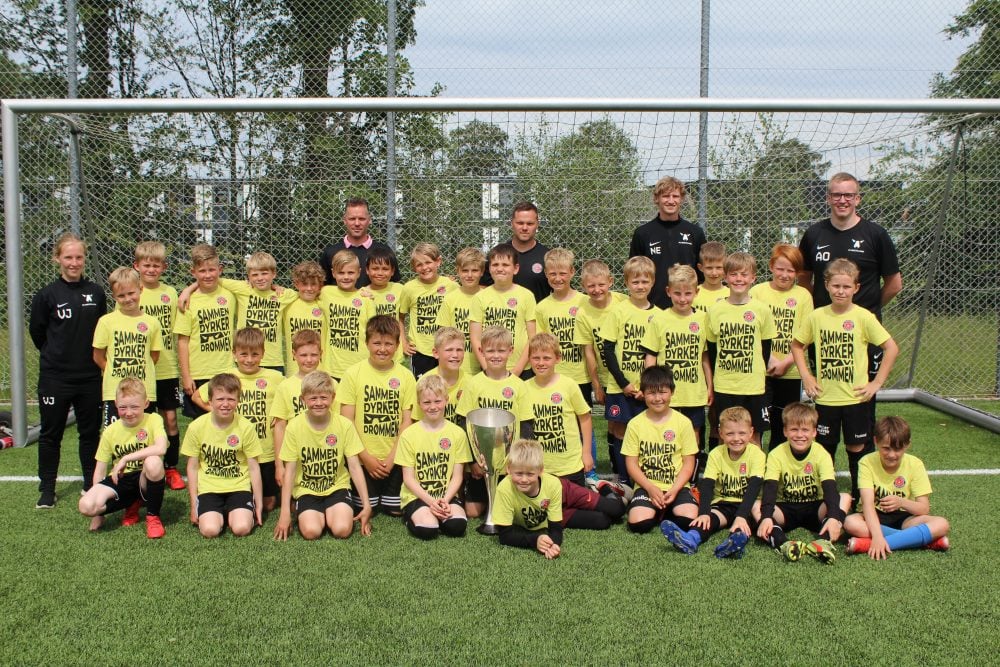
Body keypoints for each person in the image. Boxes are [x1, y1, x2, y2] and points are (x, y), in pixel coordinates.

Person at [798, 172, 902, 454]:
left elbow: (894, 283)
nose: (842, 200)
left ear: (858, 198)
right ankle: (824, 469)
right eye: (836, 194)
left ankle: (863, 473)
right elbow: (804, 278)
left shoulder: (876, 234)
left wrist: (867, 311)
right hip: (825, 335)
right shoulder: (814, 234)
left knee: (862, 406)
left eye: (848, 195)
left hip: (863, 336)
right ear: (828, 198)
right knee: (825, 405)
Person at [791, 258, 899, 501]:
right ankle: (824, 498)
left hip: (855, 398)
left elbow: (891, 348)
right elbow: (797, 345)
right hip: (826, 398)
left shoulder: (863, 317)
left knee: (856, 447)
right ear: (827, 285)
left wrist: (876, 383)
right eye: (836, 286)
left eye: (846, 286)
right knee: (824, 448)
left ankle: (861, 497)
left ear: (856, 288)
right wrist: (806, 376)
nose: (841, 291)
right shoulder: (817, 316)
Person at [30, 232, 108, 507]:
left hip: (89, 377)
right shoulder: (47, 295)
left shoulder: (96, 293)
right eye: (68, 257)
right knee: (51, 434)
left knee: (90, 433)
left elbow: (101, 332)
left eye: (79, 257)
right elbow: (38, 333)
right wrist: (58, 356)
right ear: (57, 259)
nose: (74, 262)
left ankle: (90, 483)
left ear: (84, 259)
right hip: (56, 377)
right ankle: (47, 489)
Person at [518, 333, 627, 530]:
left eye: (546, 358)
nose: (541, 363)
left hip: (570, 467)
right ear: (529, 359)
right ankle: (573, 504)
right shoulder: (523, 388)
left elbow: (585, 418)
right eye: (536, 358)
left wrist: (586, 453)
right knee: (591, 518)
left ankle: (602, 489)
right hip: (541, 471)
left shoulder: (568, 385)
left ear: (558, 358)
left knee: (612, 512)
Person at [273, 371, 372, 541]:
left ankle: (334, 511)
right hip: (306, 489)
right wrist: (284, 513)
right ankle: (305, 510)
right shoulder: (294, 427)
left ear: (333, 398)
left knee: (342, 530)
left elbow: (354, 466)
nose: (319, 403)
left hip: (337, 487)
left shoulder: (344, 425)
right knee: (311, 532)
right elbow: (290, 471)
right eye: (313, 398)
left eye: (324, 398)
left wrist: (367, 505)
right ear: (303, 399)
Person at [193, 327, 284, 512]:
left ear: (263, 353)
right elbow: (197, 396)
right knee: (241, 495)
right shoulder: (227, 376)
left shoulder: (275, 378)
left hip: (265, 450)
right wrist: (221, 411)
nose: (249, 359)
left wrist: (280, 415)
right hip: (238, 452)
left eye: (254, 354)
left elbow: (291, 396)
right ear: (234, 353)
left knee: (268, 504)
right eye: (243, 354)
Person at [659, 406, 765, 558]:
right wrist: (703, 513)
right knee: (708, 520)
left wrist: (741, 515)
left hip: (747, 504)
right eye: (730, 433)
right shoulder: (716, 453)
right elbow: (707, 485)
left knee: (742, 525)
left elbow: (754, 487)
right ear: (721, 433)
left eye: (742, 433)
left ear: (751, 432)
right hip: (723, 503)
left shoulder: (757, 454)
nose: (736, 438)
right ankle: (691, 539)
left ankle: (734, 546)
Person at [752, 402, 851, 563]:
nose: (800, 435)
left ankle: (823, 541)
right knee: (757, 506)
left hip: (815, 508)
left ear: (814, 432)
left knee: (844, 497)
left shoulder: (821, 454)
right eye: (794, 429)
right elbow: (770, 488)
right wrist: (767, 517)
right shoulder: (776, 454)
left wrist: (834, 517)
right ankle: (783, 543)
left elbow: (830, 488)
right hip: (785, 509)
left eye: (805, 430)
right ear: (785, 431)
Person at [338, 315, 416, 517]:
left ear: (398, 345)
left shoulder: (406, 376)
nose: (382, 349)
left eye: (388, 344)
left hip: (394, 457)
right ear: (366, 343)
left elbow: (407, 421)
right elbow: (346, 421)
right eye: (377, 343)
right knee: (367, 507)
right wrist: (365, 457)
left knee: (394, 508)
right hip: (363, 458)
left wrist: (392, 458)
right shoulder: (353, 374)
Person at [844, 416, 950, 558]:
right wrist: (877, 535)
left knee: (942, 524)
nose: (892, 454)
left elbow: (924, 508)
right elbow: (867, 505)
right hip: (874, 516)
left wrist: (901, 502)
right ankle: (920, 540)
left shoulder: (915, 464)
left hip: (905, 519)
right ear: (876, 441)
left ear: (907, 444)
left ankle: (868, 544)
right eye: (886, 448)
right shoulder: (866, 462)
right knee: (850, 522)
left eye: (898, 449)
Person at [642, 264, 712, 476]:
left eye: (688, 293)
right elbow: (651, 355)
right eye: (677, 293)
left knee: (693, 436)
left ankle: (691, 481)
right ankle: (667, 475)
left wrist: (710, 386)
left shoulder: (703, 319)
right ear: (668, 291)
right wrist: (650, 386)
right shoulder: (659, 319)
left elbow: (704, 357)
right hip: (667, 393)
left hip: (693, 392)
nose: (682, 299)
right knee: (666, 434)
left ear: (696, 292)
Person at [78, 378, 167, 538]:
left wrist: (126, 459)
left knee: (153, 462)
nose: (129, 412)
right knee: (86, 506)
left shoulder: (154, 419)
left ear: (146, 403)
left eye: (135, 407)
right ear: (115, 404)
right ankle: (131, 502)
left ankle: (153, 517)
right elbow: (100, 470)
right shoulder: (110, 431)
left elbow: (161, 448)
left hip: (144, 477)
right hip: (121, 479)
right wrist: (98, 515)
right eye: (123, 407)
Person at [535, 248, 595, 485]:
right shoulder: (542, 307)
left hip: (580, 375)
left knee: (583, 420)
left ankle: (589, 472)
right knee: (560, 423)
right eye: (552, 274)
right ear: (546, 275)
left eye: (562, 273)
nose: (558, 278)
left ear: (572, 272)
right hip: (555, 376)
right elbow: (541, 344)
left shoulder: (585, 301)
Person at [455, 326, 527, 518]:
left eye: (501, 350)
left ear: (510, 351)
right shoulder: (473, 384)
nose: (496, 355)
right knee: (472, 512)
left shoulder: (519, 386)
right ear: (481, 351)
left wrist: (518, 461)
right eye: (491, 350)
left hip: (508, 462)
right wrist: (473, 462)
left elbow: (527, 427)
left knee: (510, 512)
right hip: (481, 461)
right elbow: (463, 424)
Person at [706, 251, 776, 446]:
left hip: (753, 385)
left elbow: (765, 350)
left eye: (744, 274)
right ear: (725, 277)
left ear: (753, 278)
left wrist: (757, 373)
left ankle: (755, 467)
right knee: (726, 434)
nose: (739, 279)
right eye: (734, 274)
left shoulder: (762, 310)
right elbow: (712, 351)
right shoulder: (715, 310)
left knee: (753, 435)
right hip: (725, 385)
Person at [182, 372, 263, 538]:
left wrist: (259, 504)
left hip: (238, 486)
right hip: (209, 488)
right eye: (220, 399)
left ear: (238, 401)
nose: (225, 404)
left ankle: (236, 513)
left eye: (231, 399)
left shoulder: (246, 426)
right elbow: (192, 467)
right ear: (210, 401)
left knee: (241, 528)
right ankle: (218, 515)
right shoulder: (196, 427)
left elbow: (254, 467)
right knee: (209, 530)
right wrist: (194, 505)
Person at [750, 244, 813, 449]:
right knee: (757, 425)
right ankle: (757, 465)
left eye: (791, 270)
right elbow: (751, 331)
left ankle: (778, 466)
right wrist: (768, 358)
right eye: (780, 269)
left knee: (784, 425)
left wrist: (786, 362)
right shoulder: (757, 292)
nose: (785, 275)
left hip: (791, 372)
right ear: (771, 266)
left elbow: (806, 335)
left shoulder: (803, 295)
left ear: (798, 272)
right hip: (762, 370)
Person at [622, 365, 698, 534]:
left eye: (663, 392)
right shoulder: (635, 424)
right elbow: (631, 464)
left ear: (672, 392)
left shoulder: (683, 422)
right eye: (651, 393)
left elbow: (688, 463)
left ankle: (666, 509)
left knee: (689, 519)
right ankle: (655, 509)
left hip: (676, 485)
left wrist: (675, 489)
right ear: (643, 393)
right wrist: (649, 488)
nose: (657, 398)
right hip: (647, 485)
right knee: (638, 524)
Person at [134, 241, 185, 490]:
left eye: (156, 265)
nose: (151, 269)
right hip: (141, 369)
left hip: (166, 367)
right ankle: (144, 468)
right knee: (143, 421)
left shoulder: (170, 293)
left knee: (170, 420)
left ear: (163, 267)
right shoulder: (132, 292)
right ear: (137, 266)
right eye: (147, 265)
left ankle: (171, 467)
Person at [600, 256, 658, 475]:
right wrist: (623, 383)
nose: (640, 286)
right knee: (621, 431)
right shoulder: (618, 311)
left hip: (647, 389)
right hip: (621, 387)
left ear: (653, 282)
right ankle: (623, 479)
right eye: (635, 282)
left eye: (645, 281)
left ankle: (644, 477)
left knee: (646, 432)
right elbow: (607, 350)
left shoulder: (659, 315)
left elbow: (658, 355)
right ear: (626, 283)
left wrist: (648, 386)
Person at [397, 374, 472, 540]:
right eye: (427, 402)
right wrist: (431, 502)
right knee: (428, 530)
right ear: (419, 403)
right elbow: (408, 479)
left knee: (457, 526)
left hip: (446, 495)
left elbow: (457, 476)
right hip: (417, 496)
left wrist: (444, 500)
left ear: (446, 400)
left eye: (438, 401)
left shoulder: (457, 434)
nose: (433, 407)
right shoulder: (409, 435)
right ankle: (411, 516)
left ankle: (438, 514)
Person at [573, 259, 626, 482]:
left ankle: (629, 470)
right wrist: (596, 384)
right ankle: (616, 470)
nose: (597, 290)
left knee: (629, 423)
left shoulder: (623, 302)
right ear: (583, 286)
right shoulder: (583, 312)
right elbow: (589, 351)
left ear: (610, 282)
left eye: (601, 284)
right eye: (591, 286)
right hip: (606, 377)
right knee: (613, 422)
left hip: (627, 374)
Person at [92, 267, 163, 426]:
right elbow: (98, 356)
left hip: (144, 390)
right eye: (121, 295)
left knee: (145, 435)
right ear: (114, 296)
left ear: (140, 289)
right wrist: (114, 370)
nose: (127, 299)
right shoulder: (106, 322)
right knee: (115, 435)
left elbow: (154, 357)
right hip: (115, 391)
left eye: (131, 293)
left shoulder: (152, 323)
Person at [174, 243, 235, 419]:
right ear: (193, 272)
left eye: (212, 270)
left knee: (227, 420)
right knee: (199, 424)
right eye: (202, 271)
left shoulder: (230, 294)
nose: (207, 275)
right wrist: (186, 377)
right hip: (198, 373)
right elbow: (182, 342)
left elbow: (254, 287)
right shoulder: (187, 302)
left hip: (225, 370)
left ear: (220, 269)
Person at [629, 176, 707, 309]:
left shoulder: (695, 233)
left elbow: (702, 274)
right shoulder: (643, 233)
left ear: (682, 199)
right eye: (665, 196)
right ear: (656, 199)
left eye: (675, 196)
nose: (671, 201)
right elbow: (634, 273)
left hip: (686, 306)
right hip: (653, 307)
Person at [469, 243, 537, 378]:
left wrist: (517, 371)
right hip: (490, 368)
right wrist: (488, 369)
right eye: (495, 265)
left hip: (521, 369)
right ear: (489, 268)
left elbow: (532, 337)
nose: (500, 269)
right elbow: (475, 338)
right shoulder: (479, 297)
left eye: (505, 265)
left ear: (515, 268)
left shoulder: (526, 296)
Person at [271, 329, 327, 488]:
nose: (309, 360)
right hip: (294, 455)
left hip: (322, 454)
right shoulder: (285, 387)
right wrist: (279, 465)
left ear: (321, 354)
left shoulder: (330, 384)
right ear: (294, 354)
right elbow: (280, 427)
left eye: (314, 355)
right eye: (303, 355)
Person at [493, 438, 563, 559]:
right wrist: (536, 540)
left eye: (530, 474)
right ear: (508, 469)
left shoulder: (553, 484)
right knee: (594, 519)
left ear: (540, 470)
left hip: (565, 491)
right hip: (547, 509)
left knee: (597, 509)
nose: (524, 479)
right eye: (519, 473)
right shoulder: (504, 488)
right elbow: (504, 536)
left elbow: (556, 529)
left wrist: (554, 544)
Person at [398, 242, 456, 378]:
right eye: (419, 264)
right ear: (414, 267)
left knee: (447, 386)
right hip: (420, 350)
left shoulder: (451, 285)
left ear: (438, 262)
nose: (424, 267)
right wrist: (404, 342)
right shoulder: (409, 288)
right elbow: (400, 317)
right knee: (422, 388)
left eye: (428, 262)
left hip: (446, 348)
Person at [319, 197, 401, 288]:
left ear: (369, 220)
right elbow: (322, 286)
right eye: (352, 219)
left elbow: (393, 286)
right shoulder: (330, 252)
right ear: (344, 220)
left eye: (361, 219)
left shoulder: (384, 251)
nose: (357, 223)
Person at [321, 250, 375, 380]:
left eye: (350, 272)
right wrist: (276, 288)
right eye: (341, 272)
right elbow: (304, 291)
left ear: (359, 273)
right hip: (332, 367)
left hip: (360, 366)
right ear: (333, 273)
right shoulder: (325, 293)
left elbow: (373, 332)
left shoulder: (366, 298)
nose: (346, 277)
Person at [483, 201, 552, 303]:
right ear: (512, 223)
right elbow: (482, 288)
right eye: (520, 223)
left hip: (537, 313)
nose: (524, 228)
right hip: (503, 313)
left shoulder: (548, 257)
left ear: (537, 224)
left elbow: (561, 290)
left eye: (530, 223)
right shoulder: (497, 255)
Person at [436, 247, 485, 376]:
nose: (469, 275)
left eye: (475, 270)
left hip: (484, 364)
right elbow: (443, 336)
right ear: (457, 271)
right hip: (456, 364)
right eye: (465, 270)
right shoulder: (450, 299)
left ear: (482, 271)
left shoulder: (488, 298)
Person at [282, 261, 327, 376]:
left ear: (320, 285)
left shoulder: (325, 304)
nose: (309, 288)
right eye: (305, 284)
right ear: (296, 284)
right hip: (294, 370)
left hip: (320, 370)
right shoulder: (288, 304)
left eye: (313, 284)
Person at [412, 327, 466, 423]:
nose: (455, 355)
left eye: (459, 350)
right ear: (436, 353)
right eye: (449, 350)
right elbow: (416, 422)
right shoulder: (423, 383)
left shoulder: (471, 382)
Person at [692, 241, 728, 314]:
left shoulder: (731, 294)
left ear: (725, 267)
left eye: (719, 267)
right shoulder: (692, 294)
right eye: (709, 268)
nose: (714, 273)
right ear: (700, 267)